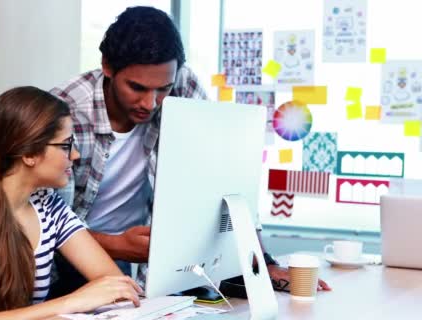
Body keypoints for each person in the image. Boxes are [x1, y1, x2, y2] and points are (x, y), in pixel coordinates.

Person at [50, 6, 330, 297]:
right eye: (137, 88)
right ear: (107, 66)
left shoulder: (183, 84)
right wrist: (114, 244)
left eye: (163, 89)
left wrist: (261, 263)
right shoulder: (66, 111)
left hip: (141, 255)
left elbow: (225, 171)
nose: (151, 102)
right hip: (66, 259)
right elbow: (42, 220)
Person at [0, 87, 142, 319]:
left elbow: (114, 284)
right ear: (29, 154)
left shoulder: (48, 206)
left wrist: (91, 298)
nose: (75, 155)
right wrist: (70, 302)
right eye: (66, 145)